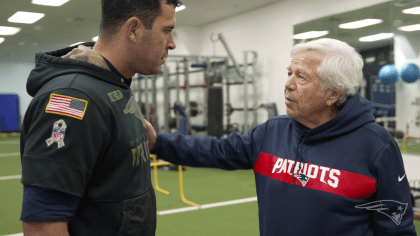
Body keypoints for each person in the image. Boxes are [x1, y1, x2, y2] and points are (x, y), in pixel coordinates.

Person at [146, 38, 417, 235]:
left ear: (333, 93)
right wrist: (158, 142)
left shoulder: (376, 145)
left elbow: (396, 226)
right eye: (289, 73)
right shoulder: (272, 132)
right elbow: (217, 151)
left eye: (301, 77)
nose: (287, 84)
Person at [19, 0, 181, 235]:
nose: (172, 44)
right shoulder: (74, 98)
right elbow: (43, 225)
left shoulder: (112, 84)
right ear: (133, 29)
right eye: (166, 30)